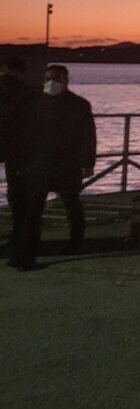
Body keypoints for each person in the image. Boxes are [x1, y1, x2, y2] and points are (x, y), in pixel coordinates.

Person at [15, 65, 96, 268]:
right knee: (33, 209)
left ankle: (76, 241)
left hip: (67, 164)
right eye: (48, 78)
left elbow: (88, 136)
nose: (52, 82)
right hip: (40, 164)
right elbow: (26, 135)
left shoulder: (78, 105)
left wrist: (87, 162)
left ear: (66, 80)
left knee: (72, 204)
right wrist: (23, 162)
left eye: (57, 78)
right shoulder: (35, 103)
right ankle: (28, 252)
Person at [1, 56, 36, 265]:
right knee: (17, 197)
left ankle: (19, 240)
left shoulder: (25, 93)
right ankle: (19, 239)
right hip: (19, 151)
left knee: (17, 196)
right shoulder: (29, 92)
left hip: (18, 151)